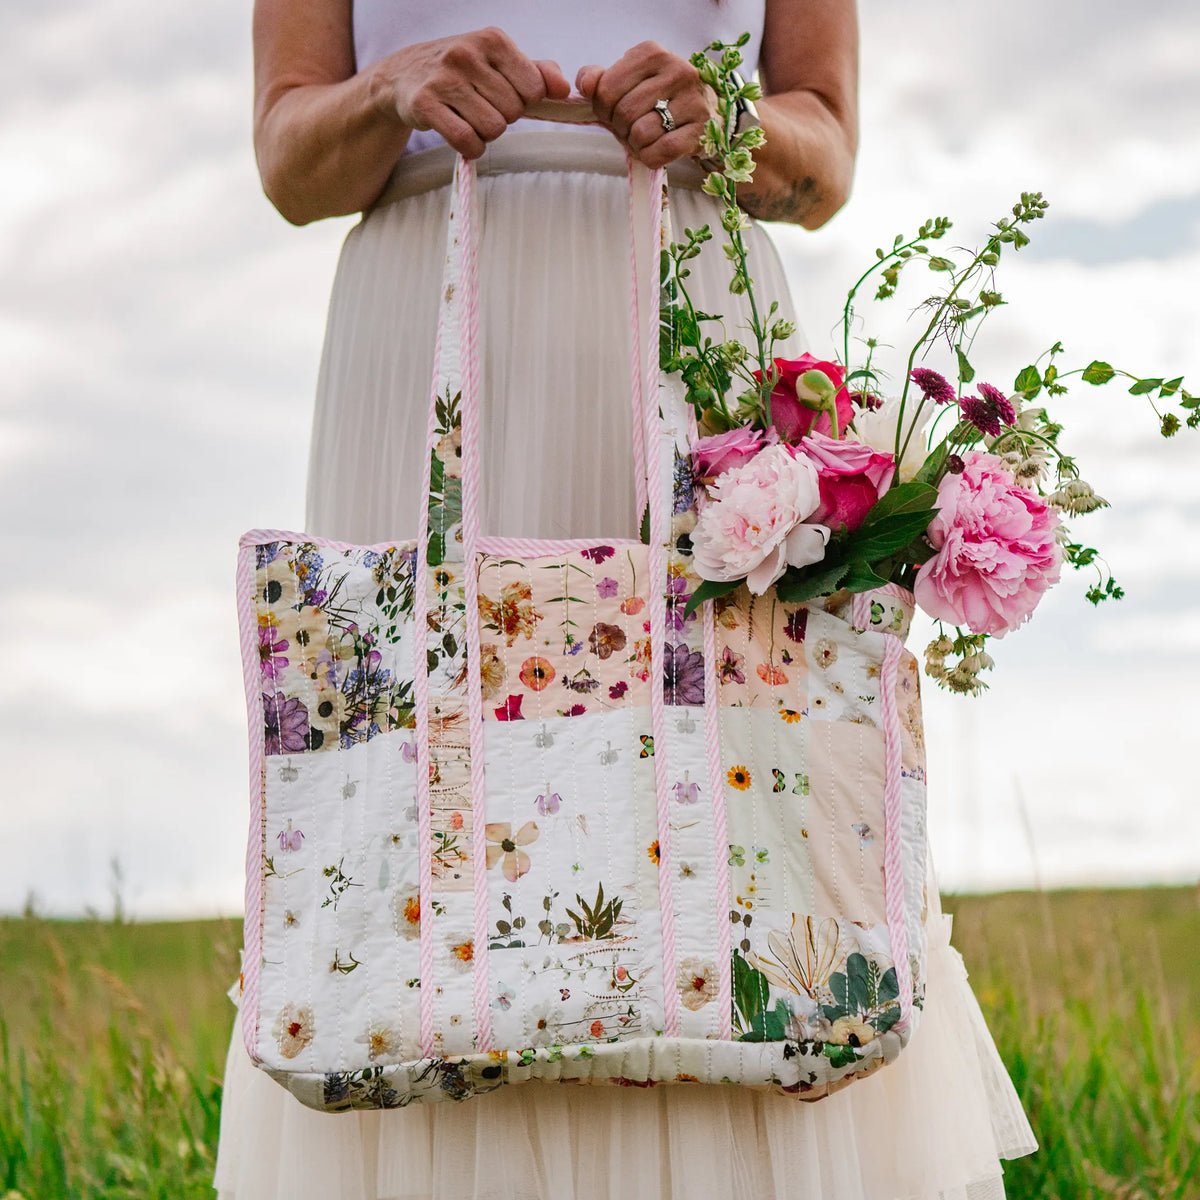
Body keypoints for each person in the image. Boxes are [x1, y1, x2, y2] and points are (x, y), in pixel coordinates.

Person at [214, 3, 1038, 1197]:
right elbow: (291, 158)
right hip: (427, 304)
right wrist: (394, 90)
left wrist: (732, 120)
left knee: (731, 790)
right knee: (428, 796)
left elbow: (826, 154)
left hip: (693, 310)